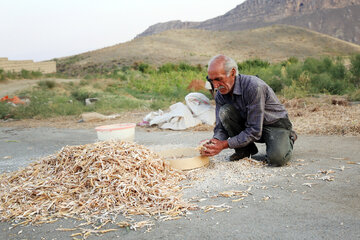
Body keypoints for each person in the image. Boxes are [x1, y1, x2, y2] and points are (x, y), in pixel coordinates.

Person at [200, 54, 297, 166]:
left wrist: (224, 144)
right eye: (211, 80)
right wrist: (215, 141)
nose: (215, 86)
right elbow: (220, 127)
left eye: (219, 79)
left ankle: (289, 136)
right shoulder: (220, 95)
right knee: (225, 111)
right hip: (251, 125)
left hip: (274, 125)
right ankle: (244, 150)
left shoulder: (254, 86)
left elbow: (255, 131)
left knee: (277, 159)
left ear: (232, 73)